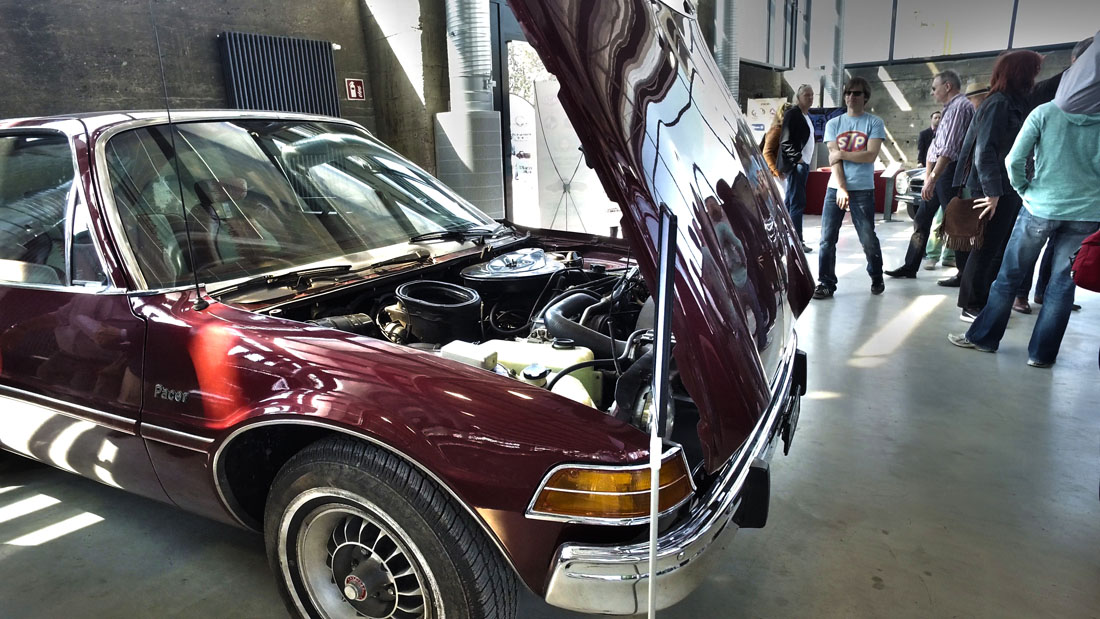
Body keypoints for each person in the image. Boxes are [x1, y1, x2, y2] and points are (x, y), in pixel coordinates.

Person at [948, 53, 1100, 367]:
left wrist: (1023, 190)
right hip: (1086, 213)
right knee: (1062, 286)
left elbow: (1013, 159)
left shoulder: (1044, 112)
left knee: (1009, 276)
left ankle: (984, 338)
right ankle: (1041, 355)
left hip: (1040, 206)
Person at [952, 50, 1043, 322]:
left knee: (996, 247)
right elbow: (985, 151)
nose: (1035, 77)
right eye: (1033, 71)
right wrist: (992, 193)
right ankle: (971, 305)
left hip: (1007, 187)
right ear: (1021, 73)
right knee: (985, 247)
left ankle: (982, 300)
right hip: (993, 188)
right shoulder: (999, 103)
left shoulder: (1014, 102)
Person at [1014, 34, 1094, 314]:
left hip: (1076, 195)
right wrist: (1023, 186)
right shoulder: (1053, 89)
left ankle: (1045, 292)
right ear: (1076, 60)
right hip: (1044, 183)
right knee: (1030, 250)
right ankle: (1021, 294)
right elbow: (1021, 145)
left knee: (1057, 252)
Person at [885, 70, 975, 281]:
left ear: (947, 86)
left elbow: (948, 150)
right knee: (922, 218)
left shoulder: (959, 107)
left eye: (935, 88)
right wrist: (929, 177)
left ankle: (964, 274)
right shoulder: (949, 109)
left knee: (954, 221)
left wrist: (933, 177)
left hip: (949, 172)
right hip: (940, 172)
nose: (932, 92)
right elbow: (935, 147)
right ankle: (910, 265)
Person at [812, 76, 886, 299]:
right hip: (836, 188)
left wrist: (842, 153)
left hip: (863, 188)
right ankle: (826, 282)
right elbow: (834, 161)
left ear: (865, 97)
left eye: (857, 93)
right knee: (827, 239)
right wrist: (842, 188)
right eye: (848, 93)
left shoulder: (874, 123)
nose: (851, 96)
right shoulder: (834, 124)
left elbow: (870, 155)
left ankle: (876, 275)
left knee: (867, 237)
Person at [779, 84, 816, 253]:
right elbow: (785, 141)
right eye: (806, 95)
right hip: (797, 165)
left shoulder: (805, 115)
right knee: (797, 203)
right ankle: (797, 241)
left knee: (790, 202)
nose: (810, 98)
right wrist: (798, 160)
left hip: (803, 164)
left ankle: (784, 237)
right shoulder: (793, 114)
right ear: (798, 97)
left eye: (812, 95)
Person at [761, 102, 793, 179]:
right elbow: (767, 152)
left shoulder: (785, 130)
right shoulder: (777, 130)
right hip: (775, 176)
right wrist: (777, 171)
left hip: (783, 173)